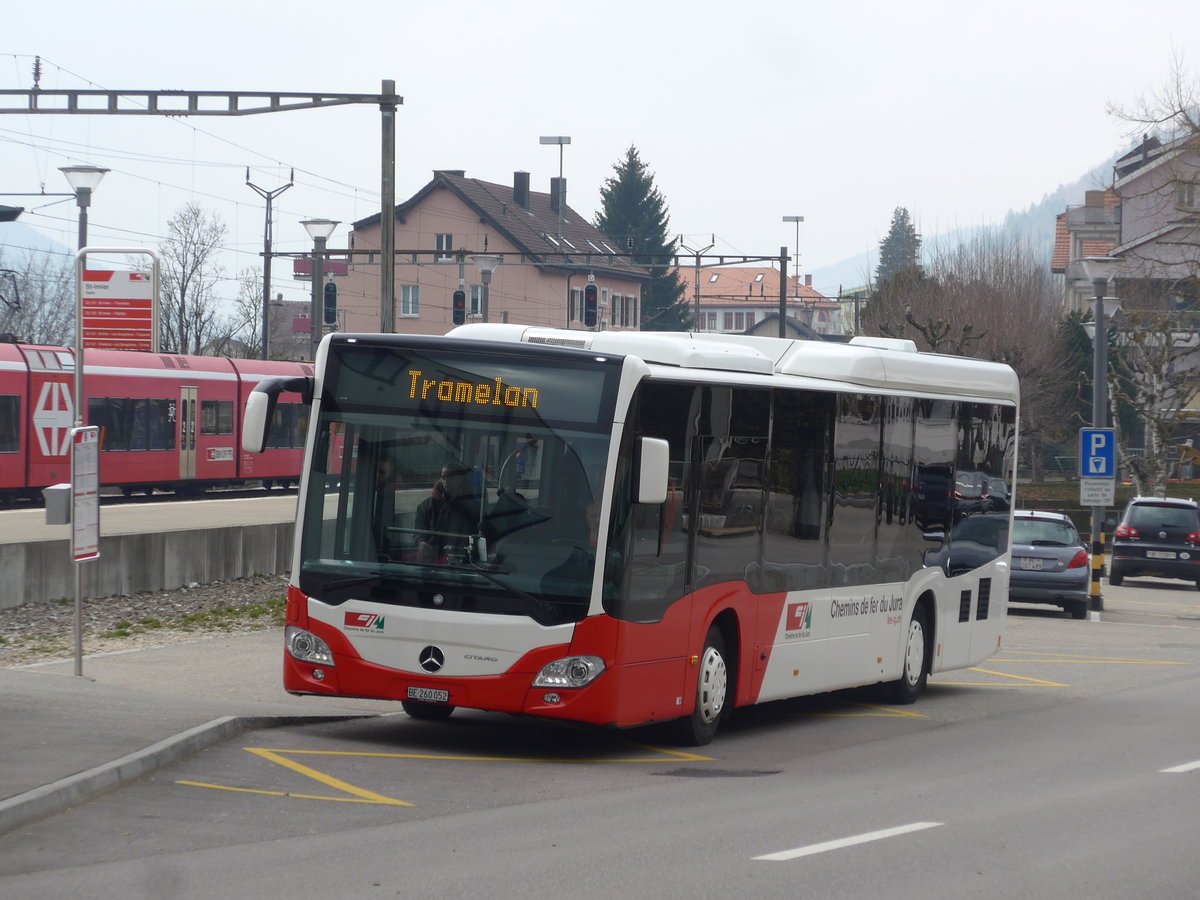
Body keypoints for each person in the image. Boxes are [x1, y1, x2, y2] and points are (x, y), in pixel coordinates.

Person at [416, 464, 482, 563]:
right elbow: (419, 529)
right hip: (431, 558)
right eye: (443, 478)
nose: (446, 481)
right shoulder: (427, 506)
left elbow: (476, 537)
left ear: (460, 479)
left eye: (451, 477)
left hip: (461, 560)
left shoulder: (472, 508)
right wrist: (421, 541)